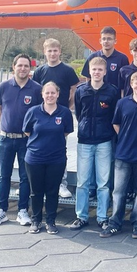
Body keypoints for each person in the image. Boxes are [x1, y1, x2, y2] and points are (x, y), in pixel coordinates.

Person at [101, 71, 137, 239]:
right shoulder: (122, 103)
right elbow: (116, 124)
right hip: (123, 153)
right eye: (136, 83)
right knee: (119, 190)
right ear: (131, 85)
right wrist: (126, 137)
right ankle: (115, 222)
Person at [0, 54, 42, 227]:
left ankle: (22, 211)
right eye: (20, 65)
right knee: (3, 176)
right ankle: (1, 210)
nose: (23, 69)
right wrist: (5, 124)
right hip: (5, 139)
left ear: (30, 68)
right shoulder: (4, 87)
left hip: (25, 141)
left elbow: (40, 112)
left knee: (25, 177)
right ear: (14, 67)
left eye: (26, 66)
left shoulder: (36, 89)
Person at [69, 57, 119, 231]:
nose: (97, 72)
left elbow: (115, 116)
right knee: (82, 182)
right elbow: (79, 114)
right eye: (94, 69)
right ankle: (81, 216)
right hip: (84, 141)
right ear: (89, 71)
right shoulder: (81, 91)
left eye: (100, 69)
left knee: (103, 183)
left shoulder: (112, 91)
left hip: (104, 141)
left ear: (105, 72)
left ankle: (102, 216)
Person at [22, 81, 74, 234]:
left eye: (53, 93)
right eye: (47, 93)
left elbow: (65, 132)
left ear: (58, 94)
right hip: (35, 159)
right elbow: (27, 132)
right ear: (42, 94)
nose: (50, 95)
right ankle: (36, 220)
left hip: (56, 159)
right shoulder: (33, 112)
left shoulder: (64, 113)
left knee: (52, 191)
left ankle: (51, 221)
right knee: (36, 191)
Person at [32, 37, 80, 199]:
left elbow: (74, 89)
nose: (52, 53)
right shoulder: (40, 71)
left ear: (60, 51)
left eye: (55, 50)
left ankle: (61, 183)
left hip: (60, 116)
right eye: (49, 51)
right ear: (45, 53)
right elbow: (35, 91)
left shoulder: (67, 70)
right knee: (40, 149)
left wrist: (69, 107)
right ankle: (39, 182)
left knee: (60, 150)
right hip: (42, 117)